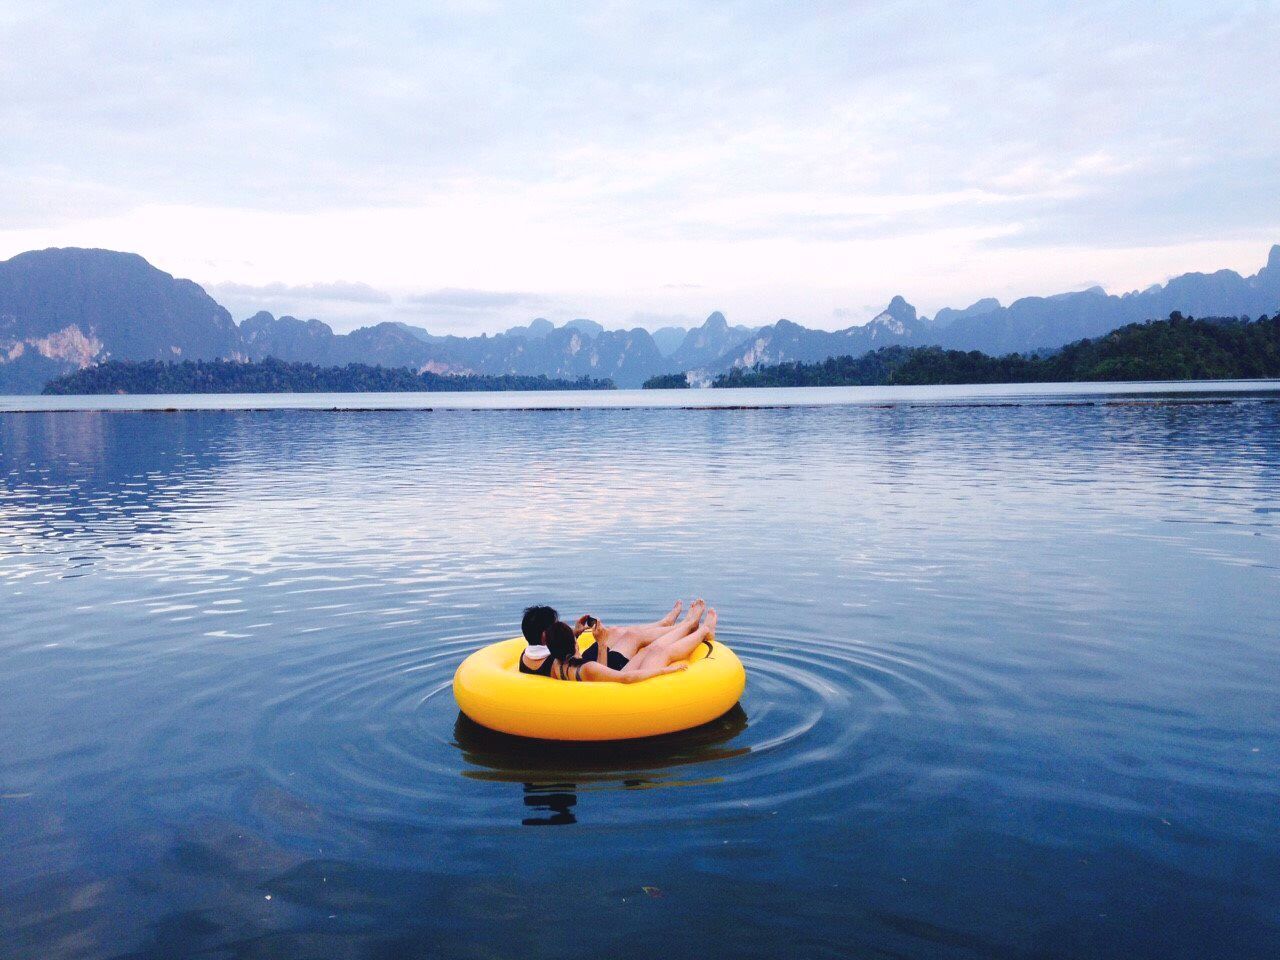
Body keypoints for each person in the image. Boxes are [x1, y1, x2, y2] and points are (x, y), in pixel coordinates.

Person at [518, 601, 717, 683]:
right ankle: (699, 629)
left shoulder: (527, 658)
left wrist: (575, 634)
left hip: (593, 672)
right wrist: (666, 671)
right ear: (546, 636)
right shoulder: (561, 664)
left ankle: (679, 625)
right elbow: (600, 680)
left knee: (631, 638)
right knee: (655, 650)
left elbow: (562, 654)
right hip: (607, 679)